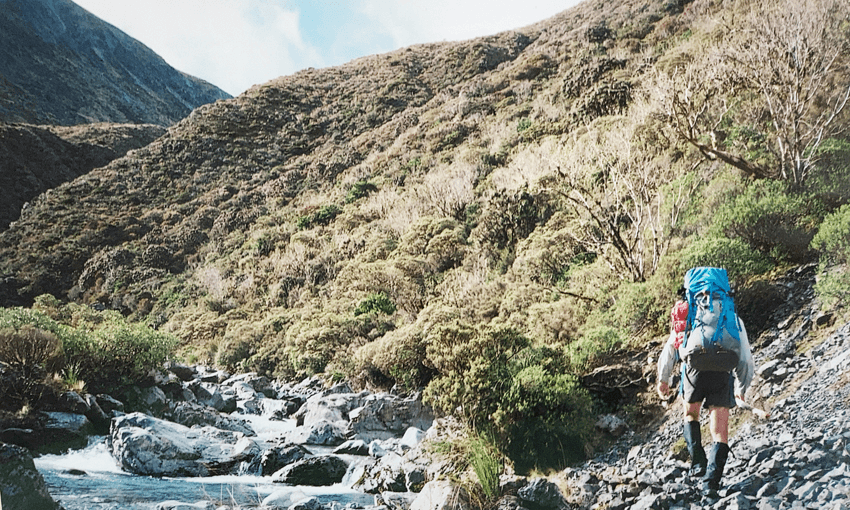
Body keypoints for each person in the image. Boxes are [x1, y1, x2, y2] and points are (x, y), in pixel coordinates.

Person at [656, 288, 755, 494]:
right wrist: (741, 388)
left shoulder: (690, 314)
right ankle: (711, 482)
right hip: (722, 371)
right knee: (720, 431)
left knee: (691, 413)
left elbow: (671, 347)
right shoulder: (731, 316)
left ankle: (698, 461)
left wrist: (663, 379)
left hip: (694, 370)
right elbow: (745, 357)